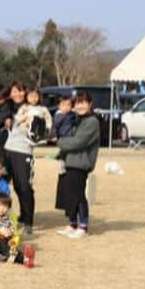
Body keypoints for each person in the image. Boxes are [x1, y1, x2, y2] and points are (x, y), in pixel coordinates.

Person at [54, 90, 102, 239]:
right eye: (77, 103)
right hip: (70, 162)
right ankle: (72, 223)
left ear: (90, 104)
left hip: (81, 163)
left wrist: (59, 142)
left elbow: (78, 142)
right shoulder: (76, 119)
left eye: (83, 103)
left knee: (79, 195)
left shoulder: (92, 121)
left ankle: (83, 226)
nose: (80, 106)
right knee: (69, 195)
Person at [0, 193, 36, 268]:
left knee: (9, 250)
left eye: (5, 206)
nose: (2, 209)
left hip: (2, 240)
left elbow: (13, 230)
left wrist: (9, 232)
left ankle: (25, 258)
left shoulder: (8, 219)